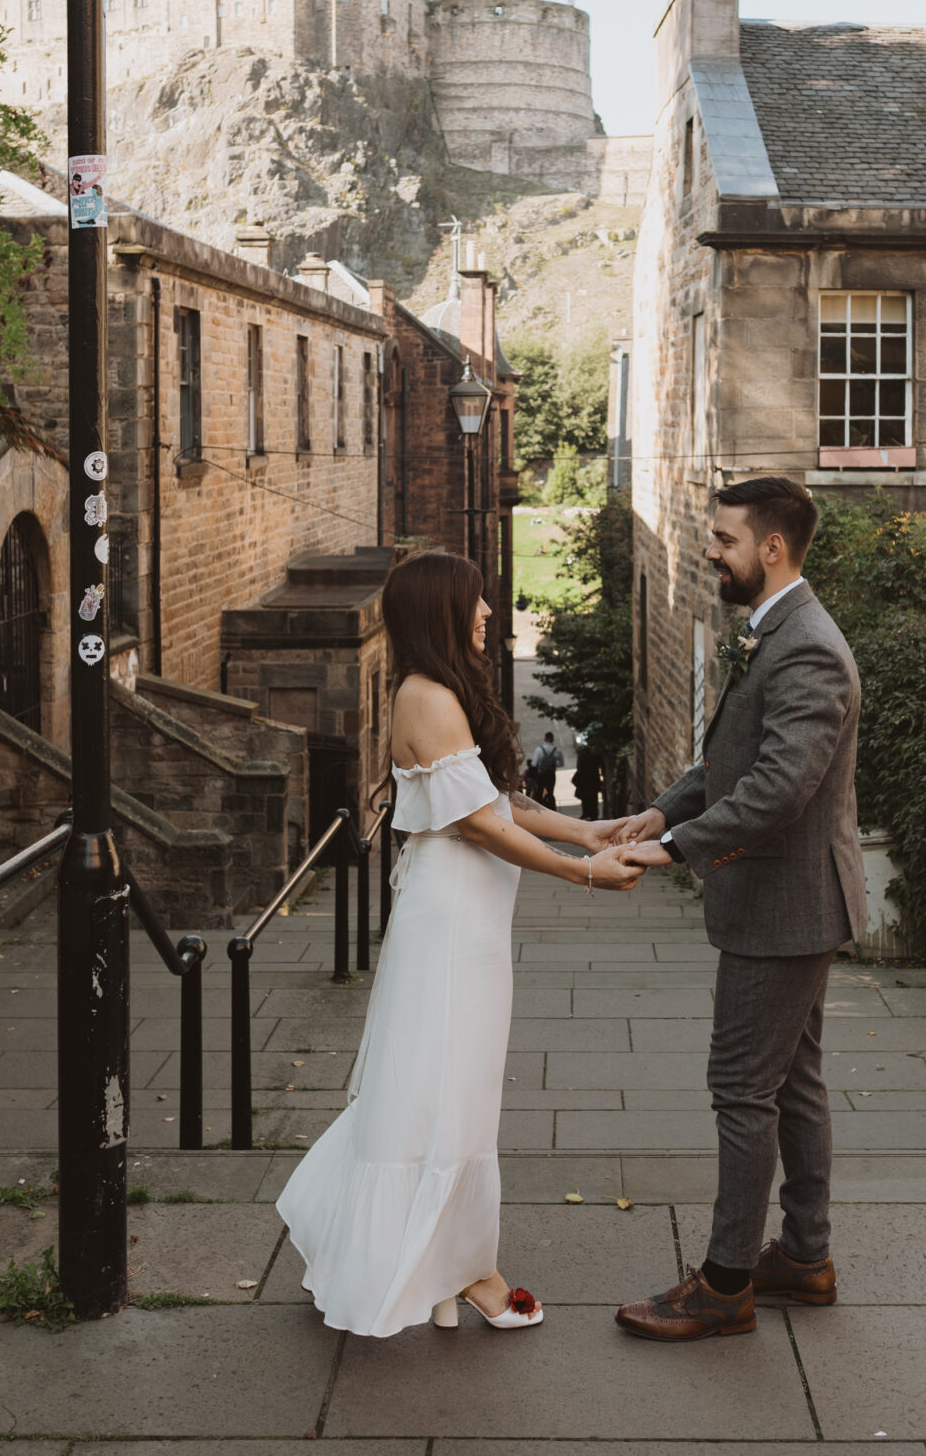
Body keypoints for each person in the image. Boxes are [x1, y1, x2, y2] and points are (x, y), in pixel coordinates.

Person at [276, 550, 644, 1337]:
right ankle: (472, 1272)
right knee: (448, 1091)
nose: (487, 614)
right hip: (449, 922)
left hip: (467, 917)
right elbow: (478, 824)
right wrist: (584, 874)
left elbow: (495, 798)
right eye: (476, 603)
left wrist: (588, 828)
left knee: (450, 1086)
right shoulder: (427, 696)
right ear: (442, 610)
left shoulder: (439, 691)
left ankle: (445, 1269)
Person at [598, 475, 864, 1341]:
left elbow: (781, 787)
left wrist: (672, 849)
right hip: (789, 903)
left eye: (722, 539)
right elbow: (733, 754)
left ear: (772, 549)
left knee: (743, 1088)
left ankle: (724, 1283)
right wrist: (666, 808)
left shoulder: (808, 646)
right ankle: (805, 1255)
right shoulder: (775, 630)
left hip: (784, 906)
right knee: (794, 1084)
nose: (709, 550)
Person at [527, 731, 564, 809]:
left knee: (539, 792)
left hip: (541, 775)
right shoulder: (557, 751)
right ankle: (552, 808)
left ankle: (540, 809)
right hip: (551, 775)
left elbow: (534, 764)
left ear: (545, 739)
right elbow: (561, 764)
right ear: (553, 739)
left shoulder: (539, 750)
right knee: (550, 792)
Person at [572, 734, 603, 821]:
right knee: (593, 799)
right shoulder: (596, 753)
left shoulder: (582, 753)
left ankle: (586, 814)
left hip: (584, 780)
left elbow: (579, 766)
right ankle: (593, 815)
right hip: (593, 779)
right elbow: (601, 765)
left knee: (585, 798)